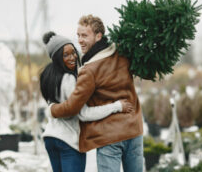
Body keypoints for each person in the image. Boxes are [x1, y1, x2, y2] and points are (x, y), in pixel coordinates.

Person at [49, 15, 144, 172]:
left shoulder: (89, 71)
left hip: (109, 136)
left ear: (98, 36)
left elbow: (73, 108)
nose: (79, 40)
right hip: (134, 128)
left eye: (85, 35)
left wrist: (52, 109)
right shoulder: (123, 53)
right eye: (78, 35)